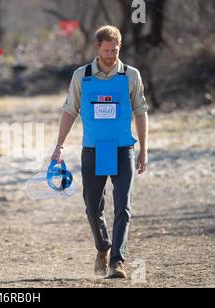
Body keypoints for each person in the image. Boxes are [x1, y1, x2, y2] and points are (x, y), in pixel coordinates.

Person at [51, 25, 149, 279]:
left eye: (115, 50)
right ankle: (103, 247)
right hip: (93, 150)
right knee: (93, 208)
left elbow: (141, 111)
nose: (110, 55)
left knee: (123, 207)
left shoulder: (131, 75)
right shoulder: (81, 76)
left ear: (120, 47)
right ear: (97, 48)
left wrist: (143, 150)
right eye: (106, 50)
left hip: (123, 149)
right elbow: (69, 111)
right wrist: (59, 146)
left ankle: (117, 261)